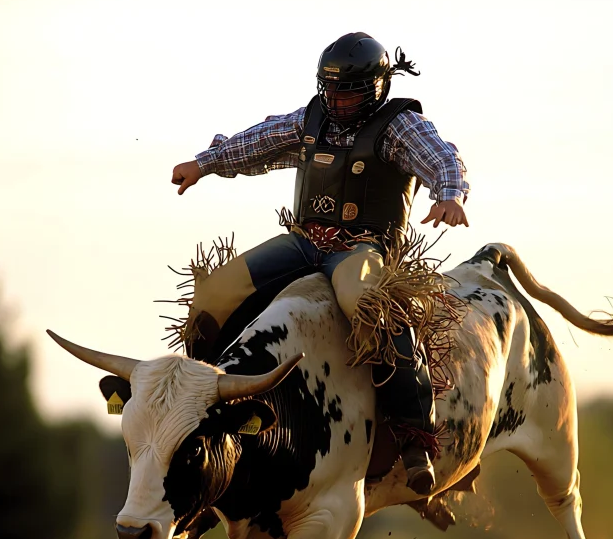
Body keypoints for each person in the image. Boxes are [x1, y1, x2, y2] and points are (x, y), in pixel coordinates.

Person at [171, 32, 469, 497]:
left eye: (348, 90)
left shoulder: (399, 126)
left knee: (369, 305)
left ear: (377, 87)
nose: (337, 98)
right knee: (214, 291)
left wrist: (449, 196)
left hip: (363, 249)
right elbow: (259, 141)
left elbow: (442, 159)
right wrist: (205, 164)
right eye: (330, 88)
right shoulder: (312, 119)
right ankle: (199, 396)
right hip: (305, 241)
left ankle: (413, 433)